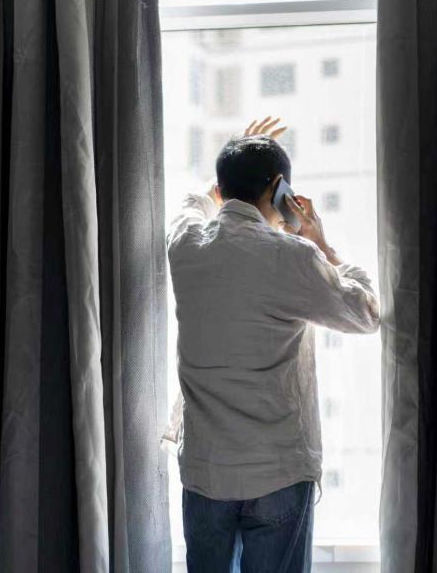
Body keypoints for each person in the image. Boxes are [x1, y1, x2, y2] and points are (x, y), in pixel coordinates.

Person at [162, 117, 380, 572]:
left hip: (206, 471)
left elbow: (190, 204)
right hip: (277, 472)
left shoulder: (185, 245)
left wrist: (230, 167)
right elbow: (366, 313)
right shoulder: (293, 257)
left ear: (221, 188)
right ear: (280, 189)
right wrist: (321, 242)